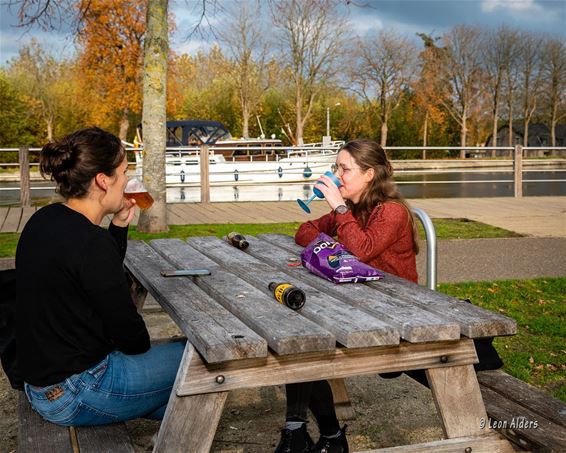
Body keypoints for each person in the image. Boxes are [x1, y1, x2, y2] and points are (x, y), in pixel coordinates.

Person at [16, 127, 184, 426]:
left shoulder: (45, 219)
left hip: (41, 385)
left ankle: (160, 409)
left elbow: (93, 273)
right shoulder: (91, 243)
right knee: (195, 358)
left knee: (176, 389)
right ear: (103, 180)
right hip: (76, 391)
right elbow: (133, 340)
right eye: (123, 172)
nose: (127, 181)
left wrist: (118, 227)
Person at [275, 139, 419, 453]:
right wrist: (340, 235)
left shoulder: (391, 212)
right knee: (300, 336)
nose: (338, 175)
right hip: (359, 301)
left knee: (305, 340)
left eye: (345, 169)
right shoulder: (353, 208)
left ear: (369, 175)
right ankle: (315, 434)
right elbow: (305, 230)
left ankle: (314, 436)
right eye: (337, 167)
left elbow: (363, 249)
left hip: (398, 312)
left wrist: (340, 212)